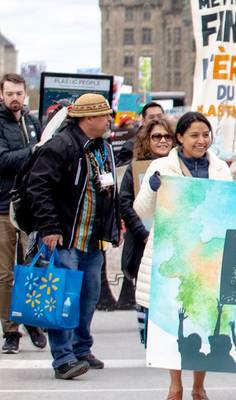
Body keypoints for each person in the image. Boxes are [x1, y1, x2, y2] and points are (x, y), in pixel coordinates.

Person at [135, 112, 230, 399]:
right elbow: (142, 211)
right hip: (172, 254)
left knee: (204, 319)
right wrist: (152, 189)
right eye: (194, 135)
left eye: (206, 135)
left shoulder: (220, 168)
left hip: (205, 256)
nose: (201, 141)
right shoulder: (161, 166)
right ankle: (175, 384)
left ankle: (199, 386)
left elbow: (228, 207)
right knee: (172, 319)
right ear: (179, 137)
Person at [25, 93, 121, 380]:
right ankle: (63, 358)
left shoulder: (103, 148)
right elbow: (38, 188)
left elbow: (108, 191)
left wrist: (112, 227)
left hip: (92, 240)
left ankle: (81, 349)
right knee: (62, 298)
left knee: (88, 298)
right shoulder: (61, 146)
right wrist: (49, 228)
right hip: (64, 239)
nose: (109, 120)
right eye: (104, 115)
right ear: (88, 118)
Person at [0, 73, 45, 354]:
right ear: (1, 95)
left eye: (18, 93)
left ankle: (30, 320)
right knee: (4, 275)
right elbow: (3, 160)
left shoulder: (32, 121)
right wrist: (33, 151)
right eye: (9, 94)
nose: (14, 98)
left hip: (30, 208)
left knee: (31, 269)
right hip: (3, 207)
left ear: (25, 93)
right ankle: (10, 330)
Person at [115, 118, 175, 311]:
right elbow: (125, 204)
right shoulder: (135, 168)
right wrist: (143, 233)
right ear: (147, 140)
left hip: (172, 242)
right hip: (143, 242)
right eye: (157, 136)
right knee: (146, 299)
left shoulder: (180, 167)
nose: (163, 140)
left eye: (167, 136)